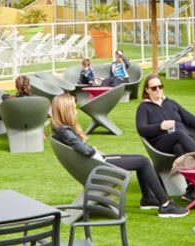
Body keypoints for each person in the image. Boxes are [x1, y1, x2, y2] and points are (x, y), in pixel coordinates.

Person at [50, 93, 187, 218]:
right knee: (144, 162)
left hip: (95, 162)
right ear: (66, 111)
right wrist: (93, 150)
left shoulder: (59, 128)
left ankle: (148, 199)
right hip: (96, 165)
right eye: (73, 109)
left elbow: (82, 149)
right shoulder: (64, 130)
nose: (75, 112)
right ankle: (165, 205)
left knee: (141, 159)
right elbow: (85, 150)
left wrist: (92, 151)